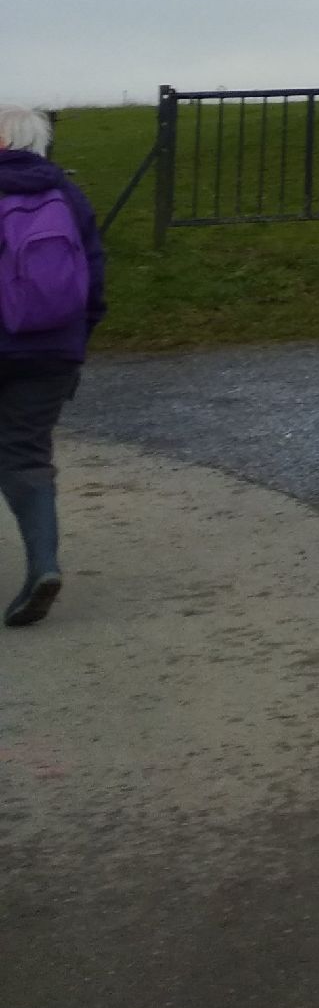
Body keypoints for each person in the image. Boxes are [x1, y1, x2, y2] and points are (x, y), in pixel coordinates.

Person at [0, 104, 106, 627]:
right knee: (26, 455)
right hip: (51, 350)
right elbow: (94, 275)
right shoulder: (67, 194)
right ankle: (43, 565)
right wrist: (74, 340)